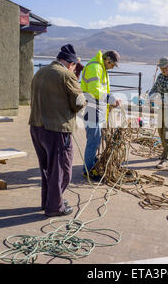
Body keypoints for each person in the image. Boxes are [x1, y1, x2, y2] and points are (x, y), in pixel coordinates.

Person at [29, 44, 86, 217]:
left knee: (46, 169)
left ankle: (49, 201)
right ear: (71, 64)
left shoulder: (40, 72)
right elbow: (78, 103)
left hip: (37, 127)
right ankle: (55, 206)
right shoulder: (67, 75)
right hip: (57, 130)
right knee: (62, 169)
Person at [80, 50, 121, 181]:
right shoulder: (95, 68)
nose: (113, 67)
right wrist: (110, 99)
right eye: (113, 64)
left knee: (96, 139)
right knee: (93, 140)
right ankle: (89, 170)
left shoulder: (101, 68)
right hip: (93, 108)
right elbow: (94, 90)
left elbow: (103, 89)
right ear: (107, 60)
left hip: (98, 109)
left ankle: (92, 163)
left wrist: (111, 100)